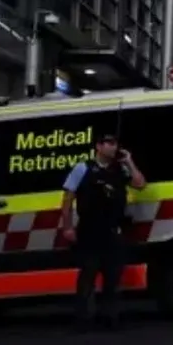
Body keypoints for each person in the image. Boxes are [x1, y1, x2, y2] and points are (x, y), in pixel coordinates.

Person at [59, 133, 147, 329]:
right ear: (98, 146)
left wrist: (129, 162)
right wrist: (67, 226)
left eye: (115, 143)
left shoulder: (120, 169)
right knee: (88, 276)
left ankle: (110, 318)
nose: (113, 147)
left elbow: (140, 184)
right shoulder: (83, 168)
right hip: (89, 230)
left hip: (112, 231)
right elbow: (67, 199)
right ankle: (83, 319)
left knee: (113, 277)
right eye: (108, 143)